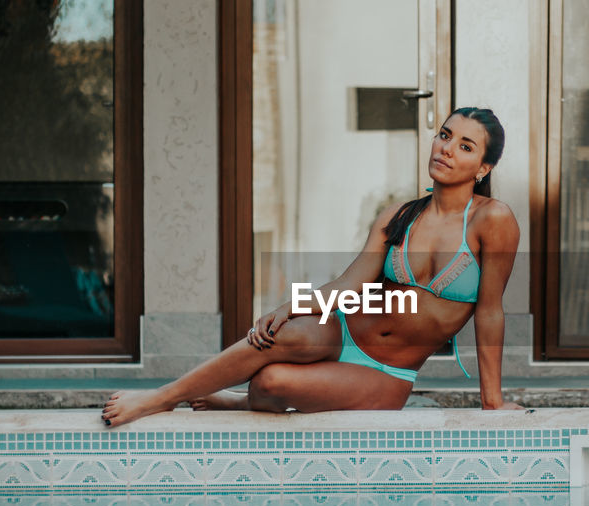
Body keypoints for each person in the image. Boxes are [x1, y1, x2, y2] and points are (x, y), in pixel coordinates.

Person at [101, 107, 522, 427]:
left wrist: (492, 399)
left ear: (483, 167)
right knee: (279, 335)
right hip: (342, 330)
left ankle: (239, 399)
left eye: (465, 146)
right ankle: (162, 397)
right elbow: (352, 283)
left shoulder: (493, 220)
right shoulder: (400, 215)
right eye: (444, 135)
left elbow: (488, 312)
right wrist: (292, 305)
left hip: (388, 370)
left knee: (269, 383)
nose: (447, 149)